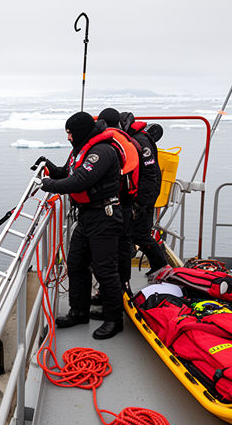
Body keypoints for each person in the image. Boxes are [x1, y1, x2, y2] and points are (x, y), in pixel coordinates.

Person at [34, 112, 131, 339]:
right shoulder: (81, 149)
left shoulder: (102, 152)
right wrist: (48, 166)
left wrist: (48, 185)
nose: (68, 137)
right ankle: (79, 311)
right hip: (88, 217)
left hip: (104, 216)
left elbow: (80, 181)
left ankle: (113, 319)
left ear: (79, 132)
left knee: (105, 270)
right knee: (76, 264)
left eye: (70, 133)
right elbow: (68, 172)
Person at [99, 109, 169, 284]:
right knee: (136, 235)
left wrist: (141, 203)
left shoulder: (140, 141)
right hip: (139, 197)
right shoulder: (131, 139)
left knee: (140, 234)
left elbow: (150, 173)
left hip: (144, 197)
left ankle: (161, 267)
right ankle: (159, 266)